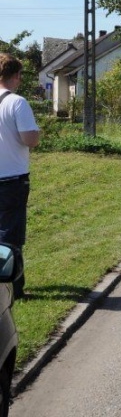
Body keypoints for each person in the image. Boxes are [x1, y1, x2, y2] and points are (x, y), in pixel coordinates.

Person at [0, 53, 41, 299]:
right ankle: (12, 289)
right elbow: (30, 139)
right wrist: (38, 132)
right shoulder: (17, 103)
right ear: (16, 75)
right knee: (9, 235)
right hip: (12, 179)